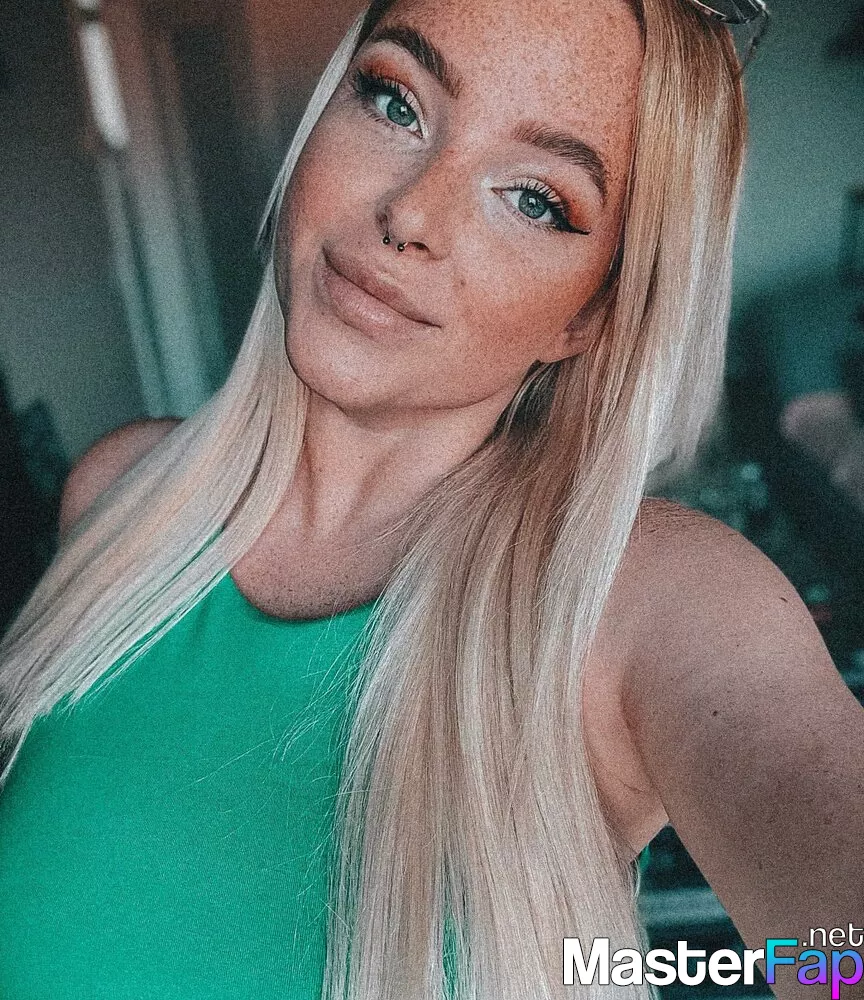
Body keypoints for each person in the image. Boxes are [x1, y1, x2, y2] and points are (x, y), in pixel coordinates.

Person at [0, 0, 861, 997]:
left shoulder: (643, 605)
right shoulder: (117, 493)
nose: (411, 214)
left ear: (589, 313)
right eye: (394, 101)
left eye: (535, 198)